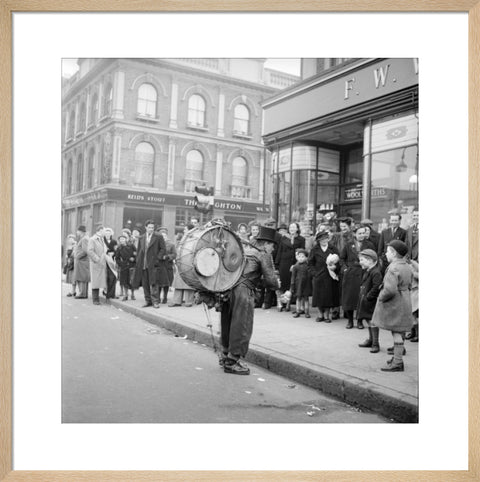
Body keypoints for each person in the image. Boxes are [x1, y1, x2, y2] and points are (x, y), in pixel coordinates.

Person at [219, 225, 280, 375]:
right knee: (242, 325)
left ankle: (225, 355)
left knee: (227, 322)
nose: (273, 249)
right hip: (243, 291)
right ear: (266, 243)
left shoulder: (243, 249)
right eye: (273, 245)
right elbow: (271, 281)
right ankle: (232, 361)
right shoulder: (263, 254)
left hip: (227, 288)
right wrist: (278, 285)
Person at [372, 240, 414, 372]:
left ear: (394, 253)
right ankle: (397, 358)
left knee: (396, 332)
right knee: (400, 331)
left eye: (388, 251)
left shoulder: (393, 268)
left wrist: (381, 297)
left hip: (395, 303)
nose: (386, 254)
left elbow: (390, 289)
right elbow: (410, 283)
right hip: (405, 299)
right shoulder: (407, 266)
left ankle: (397, 362)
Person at [339, 226, 375, 329]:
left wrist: (370, 270)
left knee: (361, 297)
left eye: (363, 233)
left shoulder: (369, 245)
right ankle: (350, 321)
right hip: (351, 274)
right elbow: (342, 258)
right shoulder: (349, 244)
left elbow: (374, 258)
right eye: (359, 233)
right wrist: (345, 269)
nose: (362, 235)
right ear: (355, 234)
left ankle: (359, 321)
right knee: (349, 298)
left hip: (364, 273)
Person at [132, 220, 167, 309]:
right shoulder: (142, 237)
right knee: (145, 284)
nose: (151, 229)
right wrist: (138, 261)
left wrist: (157, 259)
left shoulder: (158, 236)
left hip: (154, 264)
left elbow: (163, 249)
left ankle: (155, 301)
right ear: (146, 227)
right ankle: (148, 301)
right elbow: (139, 250)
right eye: (149, 227)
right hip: (143, 264)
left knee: (154, 283)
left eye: (152, 227)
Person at [308, 231, 340, 323]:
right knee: (318, 296)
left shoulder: (333, 248)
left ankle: (327, 315)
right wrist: (314, 273)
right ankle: (320, 314)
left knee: (328, 296)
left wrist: (335, 267)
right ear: (318, 240)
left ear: (328, 239)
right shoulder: (315, 249)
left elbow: (339, 261)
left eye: (325, 238)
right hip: (318, 275)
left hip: (330, 276)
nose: (324, 240)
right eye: (321, 239)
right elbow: (310, 263)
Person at [357, 249, 383, 353]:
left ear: (371, 260)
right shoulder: (368, 271)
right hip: (366, 300)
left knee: (372, 322)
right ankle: (371, 340)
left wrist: (368, 296)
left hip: (371, 301)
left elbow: (376, 287)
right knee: (368, 320)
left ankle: (376, 344)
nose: (360, 262)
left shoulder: (375, 272)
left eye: (362, 260)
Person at [275, 222, 305, 311]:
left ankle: (287, 304)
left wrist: (297, 264)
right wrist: (277, 264)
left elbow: (302, 252)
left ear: (297, 229)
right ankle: (280, 303)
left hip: (294, 263)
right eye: (290, 227)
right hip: (283, 263)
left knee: (290, 284)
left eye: (294, 227)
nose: (292, 229)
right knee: (282, 284)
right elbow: (279, 251)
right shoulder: (284, 238)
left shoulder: (301, 239)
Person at [170, 224, 196, 307]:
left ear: (190, 230)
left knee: (189, 282)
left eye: (185, 229)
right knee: (178, 282)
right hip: (181, 262)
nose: (184, 231)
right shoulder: (184, 237)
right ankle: (177, 301)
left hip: (189, 263)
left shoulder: (194, 238)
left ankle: (189, 301)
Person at [87, 224, 107, 305]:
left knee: (99, 281)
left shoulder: (101, 239)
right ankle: (95, 299)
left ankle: (97, 298)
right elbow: (90, 251)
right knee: (95, 281)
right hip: (96, 263)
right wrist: (97, 259)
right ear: (100, 230)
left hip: (101, 263)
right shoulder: (93, 239)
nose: (105, 232)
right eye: (104, 231)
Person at [157, 227, 177, 304]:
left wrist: (168, 257)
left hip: (167, 266)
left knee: (167, 283)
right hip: (159, 265)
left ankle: (165, 297)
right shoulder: (157, 244)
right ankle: (158, 297)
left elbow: (175, 254)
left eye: (164, 235)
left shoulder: (171, 244)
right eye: (161, 236)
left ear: (167, 236)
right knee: (158, 282)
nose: (163, 237)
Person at [290, 248, 312, 318]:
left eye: (303, 257)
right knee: (298, 298)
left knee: (306, 298)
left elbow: (310, 275)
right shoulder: (295, 267)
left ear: (306, 258)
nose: (301, 258)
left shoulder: (308, 266)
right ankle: (297, 311)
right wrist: (292, 285)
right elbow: (293, 277)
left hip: (306, 284)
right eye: (299, 256)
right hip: (298, 284)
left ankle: (307, 312)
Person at [115, 234, 135, 301]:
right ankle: (126, 295)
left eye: (123, 239)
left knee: (132, 280)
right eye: (120, 240)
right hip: (124, 266)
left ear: (126, 239)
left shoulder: (131, 246)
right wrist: (121, 264)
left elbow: (136, 253)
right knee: (124, 281)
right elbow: (117, 258)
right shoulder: (119, 248)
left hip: (132, 265)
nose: (122, 241)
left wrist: (134, 258)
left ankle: (132, 294)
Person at [72, 225, 90, 299]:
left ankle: (82, 294)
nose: (77, 232)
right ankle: (83, 293)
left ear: (80, 231)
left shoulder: (84, 239)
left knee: (82, 278)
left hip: (82, 261)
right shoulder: (84, 238)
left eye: (77, 231)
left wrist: (77, 256)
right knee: (82, 277)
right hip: (82, 261)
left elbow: (85, 251)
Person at [103, 228, 118, 300]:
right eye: (106, 233)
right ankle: (106, 292)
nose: (107, 234)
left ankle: (112, 294)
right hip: (104, 261)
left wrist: (113, 253)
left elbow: (117, 250)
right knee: (106, 278)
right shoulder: (102, 241)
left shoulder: (114, 241)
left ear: (111, 234)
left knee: (113, 277)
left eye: (109, 233)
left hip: (112, 261)